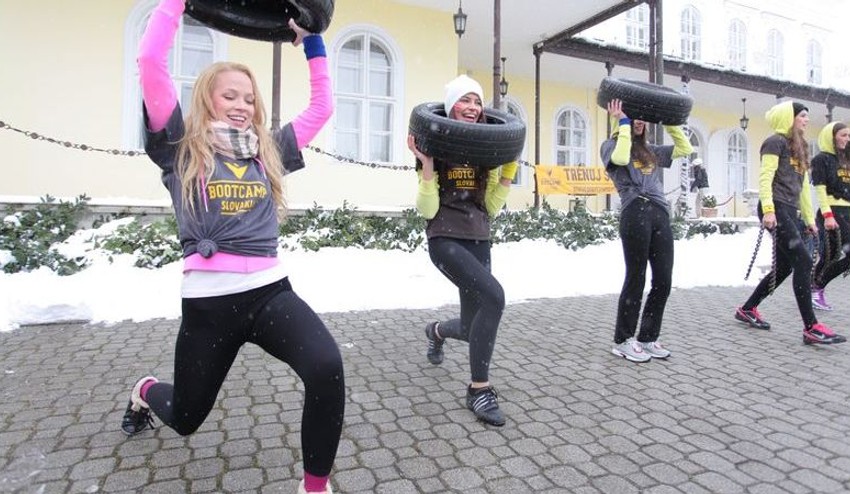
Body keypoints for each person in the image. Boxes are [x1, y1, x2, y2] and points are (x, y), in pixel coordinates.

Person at [120, 1, 344, 492]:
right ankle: (144, 391)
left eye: (249, 98)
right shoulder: (179, 145)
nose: (242, 106)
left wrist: (312, 41)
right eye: (230, 96)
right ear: (208, 100)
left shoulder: (270, 150)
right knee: (185, 417)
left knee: (327, 366)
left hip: (269, 294)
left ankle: (315, 487)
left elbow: (323, 107)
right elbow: (150, 64)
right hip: (210, 307)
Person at [407, 75, 518, 427]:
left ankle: (436, 331)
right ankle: (478, 388)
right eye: (464, 101)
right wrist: (427, 165)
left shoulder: (490, 148)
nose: (471, 107)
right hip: (445, 238)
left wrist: (506, 174)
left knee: (472, 328)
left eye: (476, 101)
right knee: (495, 297)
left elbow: (490, 207)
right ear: (451, 105)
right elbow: (427, 210)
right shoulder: (435, 142)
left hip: (478, 237)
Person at [733, 101, 846, 346]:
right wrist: (769, 210)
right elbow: (765, 177)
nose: (807, 120)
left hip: (789, 208)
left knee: (785, 267)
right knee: (804, 261)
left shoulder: (800, 146)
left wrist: (808, 218)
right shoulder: (775, 142)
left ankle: (748, 308)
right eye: (802, 116)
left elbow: (804, 187)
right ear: (789, 117)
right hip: (775, 205)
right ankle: (811, 327)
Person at [601, 99, 693, 363]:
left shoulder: (651, 151)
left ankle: (647, 337)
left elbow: (684, 149)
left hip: (660, 213)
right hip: (635, 212)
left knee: (663, 278)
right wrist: (623, 124)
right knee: (636, 276)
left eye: (642, 118)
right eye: (633, 116)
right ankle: (622, 340)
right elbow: (620, 157)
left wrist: (671, 121)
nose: (639, 121)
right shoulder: (611, 146)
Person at [811, 121, 850, 311]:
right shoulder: (822, 159)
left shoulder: (847, 160)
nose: (847, 139)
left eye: (849, 135)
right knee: (837, 253)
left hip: (848, 211)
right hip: (832, 211)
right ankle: (817, 287)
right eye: (843, 135)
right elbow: (820, 190)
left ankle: (812, 287)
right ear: (832, 136)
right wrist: (827, 215)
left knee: (831, 255)